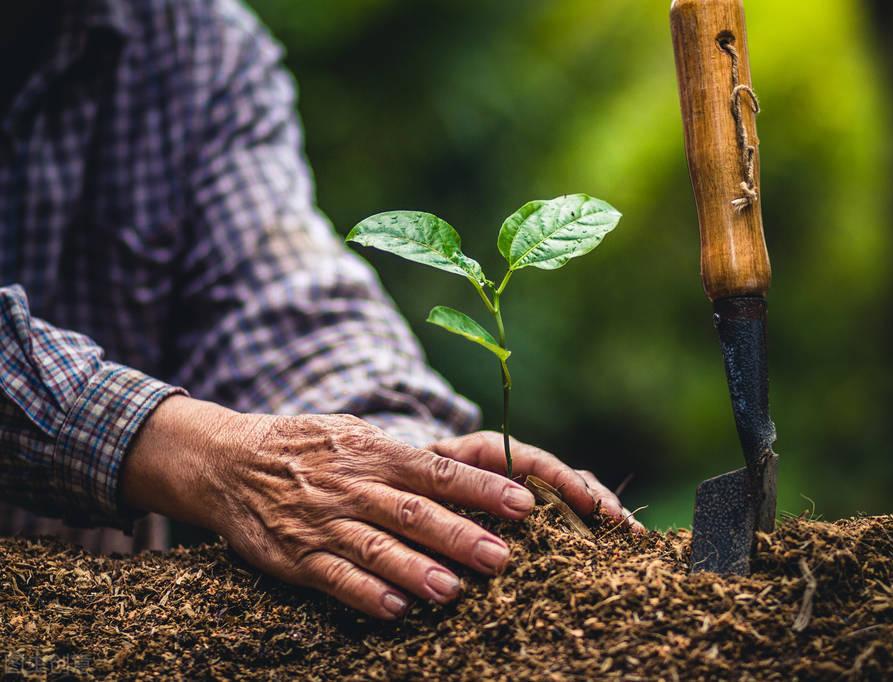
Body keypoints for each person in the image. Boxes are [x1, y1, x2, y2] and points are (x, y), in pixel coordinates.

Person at [0, 0, 632, 620]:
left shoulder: (193, 42)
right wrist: (195, 449)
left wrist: (399, 459)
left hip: (103, 629)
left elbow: (279, 306)